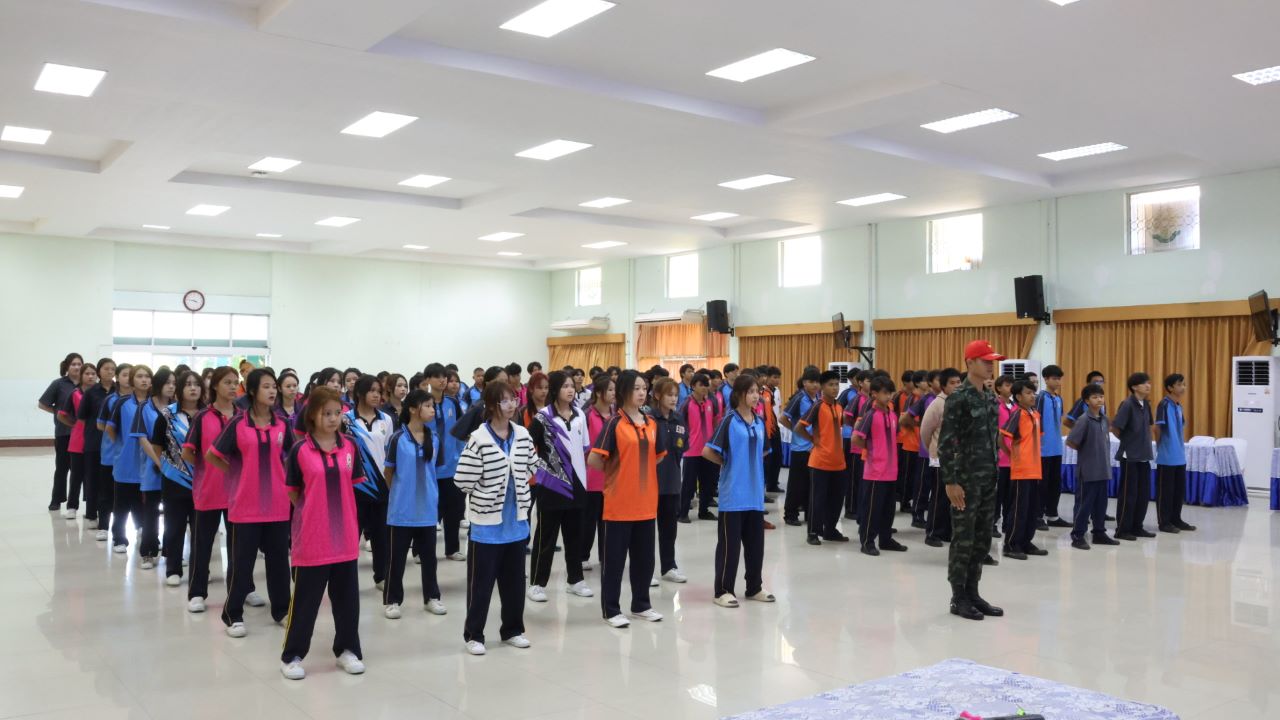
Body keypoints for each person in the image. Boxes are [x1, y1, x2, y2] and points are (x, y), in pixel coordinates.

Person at [279, 386, 366, 680]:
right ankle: (292, 656)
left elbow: (353, 486)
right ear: (312, 415)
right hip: (312, 539)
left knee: (347, 601)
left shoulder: (350, 447)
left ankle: (348, 650)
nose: (332, 418)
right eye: (326, 413)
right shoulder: (300, 450)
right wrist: (314, 513)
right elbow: (294, 493)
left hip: (345, 537)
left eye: (337, 413)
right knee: (305, 602)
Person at [208, 368, 294, 638]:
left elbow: (293, 457)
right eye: (266, 386)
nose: (272, 391)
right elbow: (212, 455)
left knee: (279, 563)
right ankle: (233, 614)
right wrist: (236, 473)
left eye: (274, 387)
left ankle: (282, 610)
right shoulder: (238, 423)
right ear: (253, 391)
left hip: (278, 506)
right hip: (245, 507)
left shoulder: (283, 424)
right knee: (241, 564)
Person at [454, 381, 535, 655]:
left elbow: (532, 465)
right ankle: (474, 634)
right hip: (486, 525)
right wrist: (488, 490)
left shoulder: (522, 434)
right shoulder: (478, 439)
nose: (511, 405)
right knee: (481, 585)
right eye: (505, 401)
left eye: (513, 399)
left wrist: (518, 484)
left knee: (515, 584)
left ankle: (513, 630)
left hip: (516, 522)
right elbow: (463, 480)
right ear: (491, 405)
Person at [589, 370, 668, 628]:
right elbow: (594, 459)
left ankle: (641, 604)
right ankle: (611, 609)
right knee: (614, 562)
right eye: (636, 388)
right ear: (623, 391)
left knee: (645, 559)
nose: (642, 392)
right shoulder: (614, 423)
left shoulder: (651, 422)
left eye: (644, 388)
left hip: (646, 503)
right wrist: (618, 472)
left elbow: (658, 457)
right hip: (619, 504)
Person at [183, 366, 260, 613]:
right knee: (202, 544)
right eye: (227, 382)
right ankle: (197, 592)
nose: (232, 386)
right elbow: (188, 452)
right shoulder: (202, 417)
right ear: (215, 385)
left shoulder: (245, 416)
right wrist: (205, 470)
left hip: (238, 493)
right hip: (208, 492)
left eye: (235, 382)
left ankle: (244, 588)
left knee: (241, 547)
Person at [938, 340, 1005, 621]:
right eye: (985, 360)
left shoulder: (989, 397)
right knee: (963, 539)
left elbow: (993, 437)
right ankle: (958, 597)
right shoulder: (959, 398)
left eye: (992, 361)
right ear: (970, 363)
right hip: (965, 481)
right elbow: (945, 443)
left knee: (981, 539)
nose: (990, 365)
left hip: (988, 478)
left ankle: (973, 592)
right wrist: (951, 482)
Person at [703, 374, 774, 607]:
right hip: (733, 494)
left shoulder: (759, 422)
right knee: (729, 547)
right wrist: (728, 462)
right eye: (751, 392)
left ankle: (754, 587)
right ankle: (723, 591)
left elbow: (764, 451)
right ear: (739, 394)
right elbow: (708, 451)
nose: (756, 396)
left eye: (757, 392)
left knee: (755, 546)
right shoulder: (729, 420)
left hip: (754, 494)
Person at [526, 371, 593, 601]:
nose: (570, 389)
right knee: (545, 538)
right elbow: (527, 446)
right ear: (555, 389)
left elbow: (584, 448)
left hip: (577, 485)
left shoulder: (580, 415)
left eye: (572, 385)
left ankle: (575, 580)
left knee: (575, 537)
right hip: (550, 487)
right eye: (565, 386)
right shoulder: (543, 417)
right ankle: (537, 583)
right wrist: (540, 470)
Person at [383, 389, 448, 618]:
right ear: (412, 409)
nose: (432, 410)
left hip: (427, 509)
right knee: (397, 559)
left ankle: (432, 597)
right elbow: (388, 472)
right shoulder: (397, 438)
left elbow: (434, 470)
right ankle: (392, 600)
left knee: (429, 558)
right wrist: (399, 494)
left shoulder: (435, 438)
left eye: (433, 406)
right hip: (402, 511)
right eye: (427, 406)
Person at [147, 370, 202, 585]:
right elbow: (157, 446)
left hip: (203, 481)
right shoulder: (167, 415)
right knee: (174, 527)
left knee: (200, 530)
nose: (193, 388)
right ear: (179, 388)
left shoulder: (208, 414)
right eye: (188, 384)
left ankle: (199, 570)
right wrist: (168, 468)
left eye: (196, 384)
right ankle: (173, 569)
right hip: (174, 481)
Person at [343, 375, 395, 587]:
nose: (376, 395)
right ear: (360, 393)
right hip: (355, 486)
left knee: (381, 535)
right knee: (351, 536)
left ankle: (381, 576)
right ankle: (345, 578)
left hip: (381, 485)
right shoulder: (346, 420)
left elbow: (389, 452)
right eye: (372, 391)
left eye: (379, 391)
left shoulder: (386, 419)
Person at [106, 364, 158, 560]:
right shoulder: (122, 403)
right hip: (126, 461)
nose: (144, 380)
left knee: (145, 502)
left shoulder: (156, 403)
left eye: (147, 376)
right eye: (139, 376)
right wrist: (122, 446)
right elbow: (110, 429)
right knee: (121, 503)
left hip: (149, 461)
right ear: (132, 380)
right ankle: (119, 538)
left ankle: (146, 532)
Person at [853, 376, 907, 556]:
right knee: (872, 509)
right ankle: (867, 541)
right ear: (874, 394)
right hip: (875, 471)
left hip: (891, 471)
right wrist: (872, 450)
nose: (889, 396)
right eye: (885, 393)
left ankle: (885, 539)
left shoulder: (892, 414)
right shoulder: (870, 415)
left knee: (888, 509)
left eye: (890, 392)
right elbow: (856, 438)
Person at [795, 370, 847, 546]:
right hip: (820, 462)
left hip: (838, 462)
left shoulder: (839, 406)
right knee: (817, 500)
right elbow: (799, 427)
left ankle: (830, 530)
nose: (835, 388)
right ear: (822, 387)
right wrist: (813, 440)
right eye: (831, 385)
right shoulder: (817, 406)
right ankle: (813, 532)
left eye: (837, 384)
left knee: (836, 500)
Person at [1065, 384, 1118, 549]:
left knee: (1101, 504)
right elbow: (1071, 441)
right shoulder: (1084, 419)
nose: (1099, 400)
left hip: (1103, 469)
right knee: (1084, 504)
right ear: (1087, 401)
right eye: (1095, 397)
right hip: (1088, 470)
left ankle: (1099, 533)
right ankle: (1078, 535)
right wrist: (1087, 451)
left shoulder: (1104, 419)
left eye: (1101, 396)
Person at [1000, 380, 1045, 560]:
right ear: (1018, 397)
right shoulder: (1017, 414)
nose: (1032, 396)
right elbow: (1001, 438)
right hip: (1021, 470)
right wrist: (1011, 456)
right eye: (1028, 393)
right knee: (1019, 509)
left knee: (1032, 508)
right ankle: (1011, 544)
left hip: (1035, 468)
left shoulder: (1035, 414)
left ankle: (1026, 542)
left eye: (1033, 393)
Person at [649, 376, 687, 584]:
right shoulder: (649, 419)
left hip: (672, 481)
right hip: (650, 482)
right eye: (669, 395)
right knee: (646, 530)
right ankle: (646, 570)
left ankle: (669, 566)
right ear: (657, 396)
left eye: (675, 395)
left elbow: (682, 447)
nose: (673, 399)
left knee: (669, 528)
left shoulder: (679, 419)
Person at [919, 368, 961, 546]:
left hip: (957, 458)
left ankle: (946, 531)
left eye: (958, 382)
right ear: (943, 386)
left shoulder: (959, 403)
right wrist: (934, 449)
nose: (957, 386)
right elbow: (925, 432)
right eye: (952, 383)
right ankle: (932, 533)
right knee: (939, 497)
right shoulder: (937, 404)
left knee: (952, 498)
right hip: (940, 458)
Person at [1112, 372, 1155, 540]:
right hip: (1129, 456)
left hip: (1144, 455)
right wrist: (1128, 443)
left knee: (1143, 494)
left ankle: (1137, 526)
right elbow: (1116, 428)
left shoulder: (1146, 404)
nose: (1148, 386)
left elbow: (1149, 426)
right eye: (1145, 383)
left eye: (1149, 382)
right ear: (1135, 387)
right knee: (1128, 495)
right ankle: (1122, 529)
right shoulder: (1127, 405)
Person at [38, 352, 83, 512]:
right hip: (64, 432)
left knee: (80, 470)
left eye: (79, 364)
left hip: (83, 435)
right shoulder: (58, 384)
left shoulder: (87, 384)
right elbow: (42, 404)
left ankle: (79, 502)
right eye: (73, 364)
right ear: (67, 367)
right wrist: (59, 413)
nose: (77, 367)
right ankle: (56, 500)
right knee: (62, 468)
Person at [1154, 374, 1196, 533]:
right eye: (1179, 384)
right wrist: (1162, 446)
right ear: (1170, 387)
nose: (1183, 387)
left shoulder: (1178, 406)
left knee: (1178, 491)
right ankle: (1164, 522)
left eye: (1184, 384)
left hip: (1179, 455)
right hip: (1167, 457)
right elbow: (1157, 428)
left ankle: (1176, 519)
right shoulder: (1164, 404)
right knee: (1165, 492)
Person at [581, 373, 614, 569]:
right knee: (588, 521)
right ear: (599, 393)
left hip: (611, 478)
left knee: (607, 521)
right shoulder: (586, 415)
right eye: (610, 390)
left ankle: (606, 556)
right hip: (591, 477)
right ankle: (582, 556)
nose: (614, 393)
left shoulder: (616, 415)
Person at [57, 362, 97, 520]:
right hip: (78, 440)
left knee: (93, 477)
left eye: (93, 374)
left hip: (95, 439)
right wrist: (75, 425)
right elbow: (61, 415)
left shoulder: (100, 394)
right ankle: (72, 507)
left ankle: (92, 508)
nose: (90, 376)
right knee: (76, 476)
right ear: (81, 376)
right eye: (87, 373)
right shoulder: (74, 394)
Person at [94, 364, 130, 543]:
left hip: (131, 457)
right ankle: (103, 526)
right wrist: (118, 436)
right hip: (110, 455)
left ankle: (137, 526)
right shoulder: (110, 400)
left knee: (130, 496)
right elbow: (100, 424)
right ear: (118, 377)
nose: (128, 378)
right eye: (125, 374)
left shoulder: (142, 401)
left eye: (131, 375)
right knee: (106, 493)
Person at [780, 369, 820, 526]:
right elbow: (783, 418)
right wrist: (797, 431)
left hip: (814, 447)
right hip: (800, 448)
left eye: (817, 382)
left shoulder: (818, 398)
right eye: (811, 382)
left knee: (811, 483)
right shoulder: (799, 398)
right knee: (796, 484)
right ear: (804, 383)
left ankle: (810, 514)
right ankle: (790, 514)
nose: (815, 385)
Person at [78, 358, 115, 530]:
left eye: (113, 369)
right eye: (106, 368)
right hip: (94, 441)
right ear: (99, 371)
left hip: (114, 443)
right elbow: (82, 416)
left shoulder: (119, 391)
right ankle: (92, 514)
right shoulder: (91, 392)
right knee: (92, 479)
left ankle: (109, 513)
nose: (110, 371)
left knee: (109, 481)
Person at [677, 372, 719, 523]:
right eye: (701, 385)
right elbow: (680, 425)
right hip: (691, 451)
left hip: (707, 451)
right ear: (693, 386)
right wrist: (681, 445)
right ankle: (682, 513)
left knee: (707, 483)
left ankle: (704, 511)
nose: (704, 388)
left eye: (706, 385)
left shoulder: (711, 403)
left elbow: (715, 422)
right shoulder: (686, 404)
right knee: (688, 484)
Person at [1036, 365, 1071, 529]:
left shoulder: (1059, 398)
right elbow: (1036, 420)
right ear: (1046, 379)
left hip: (1056, 447)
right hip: (1043, 449)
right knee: (1042, 485)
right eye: (1054, 379)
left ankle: (1052, 515)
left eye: (1059, 379)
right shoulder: (1040, 398)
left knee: (1055, 484)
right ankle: (1037, 516)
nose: (1057, 382)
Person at [992, 375, 1015, 537]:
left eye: (1012, 385)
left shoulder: (1015, 406)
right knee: (997, 495)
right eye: (1007, 385)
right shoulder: (994, 405)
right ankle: (992, 523)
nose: (1010, 388)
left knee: (1010, 495)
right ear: (999, 388)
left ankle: (1008, 523)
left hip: (1013, 458)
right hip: (999, 458)